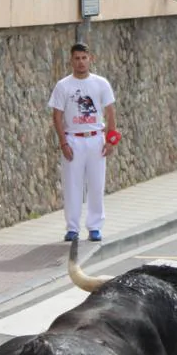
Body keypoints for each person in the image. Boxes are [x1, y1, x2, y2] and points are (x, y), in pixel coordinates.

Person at [48, 43, 118, 243]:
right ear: (71, 61)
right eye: (77, 58)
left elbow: (110, 112)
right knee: (72, 185)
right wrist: (63, 142)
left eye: (84, 58)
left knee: (96, 185)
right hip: (74, 140)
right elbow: (57, 115)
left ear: (91, 59)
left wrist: (111, 140)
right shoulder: (63, 86)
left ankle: (95, 227)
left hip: (96, 138)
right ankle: (72, 228)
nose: (80, 62)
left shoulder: (100, 83)